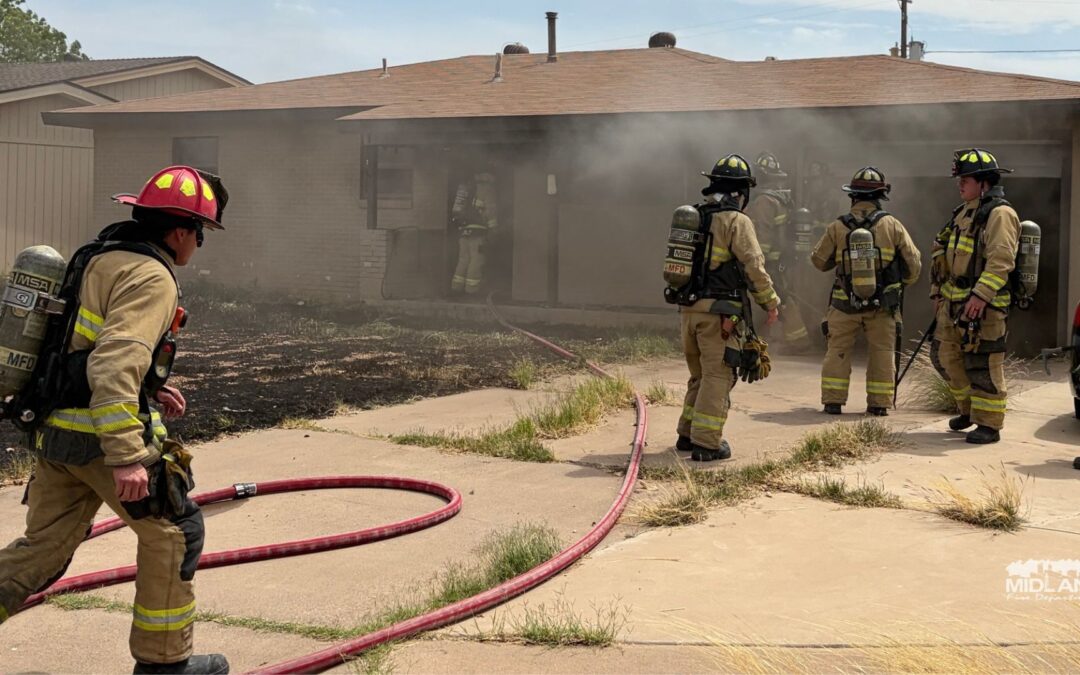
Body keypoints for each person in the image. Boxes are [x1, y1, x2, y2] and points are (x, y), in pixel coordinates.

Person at [0, 166, 230, 674]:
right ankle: (165, 665)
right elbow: (112, 362)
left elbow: (76, 349)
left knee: (42, 551)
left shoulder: (98, 258)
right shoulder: (151, 276)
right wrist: (127, 454)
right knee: (175, 531)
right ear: (181, 231)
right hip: (100, 444)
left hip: (57, 435)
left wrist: (150, 386)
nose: (197, 246)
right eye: (200, 234)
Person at [676, 154, 780, 462]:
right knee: (719, 376)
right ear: (740, 192)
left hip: (689, 311)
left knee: (700, 375)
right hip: (720, 315)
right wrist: (770, 302)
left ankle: (687, 434)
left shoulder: (695, 215)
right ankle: (707, 443)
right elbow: (753, 265)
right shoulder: (736, 221)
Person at [811, 167, 922, 416]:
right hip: (883, 306)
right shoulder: (892, 225)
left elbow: (819, 261)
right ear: (880, 197)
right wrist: (901, 284)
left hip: (843, 303)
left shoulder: (837, 226)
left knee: (837, 351)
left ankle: (833, 402)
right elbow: (913, 263)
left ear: (852, 196)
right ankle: (878, 405)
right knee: (882, 353)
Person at [929, 149, 1020, 444]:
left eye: (965, 180)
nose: (960, 185)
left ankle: (989, 425)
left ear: (983, 183)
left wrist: (980, 296)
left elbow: (1001, 260)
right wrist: (937, 293)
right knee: (943, 355)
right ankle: (969, 410)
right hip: (953, 302)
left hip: (985, 306)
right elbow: (941, 250)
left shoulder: (1000, 214)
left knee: (983, 364)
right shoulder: (963, 212)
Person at [745, 151, 812, 353]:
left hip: (770, 260)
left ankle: (798, 341)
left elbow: (763, 233)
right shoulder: (780, 198)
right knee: (779, 296)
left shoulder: (764, 201)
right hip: (780, 258)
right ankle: (772, 338)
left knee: (778, 297)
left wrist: (759, 260)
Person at [449, 171, 499, 296]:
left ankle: (456, 287)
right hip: (478, 233)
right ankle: (472, 290)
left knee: (463, 259)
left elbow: (456, 211)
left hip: (463, 232)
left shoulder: (466, 189)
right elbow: (491, 211)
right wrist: (493, 229)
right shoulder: (487, 190)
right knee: (476, 260)